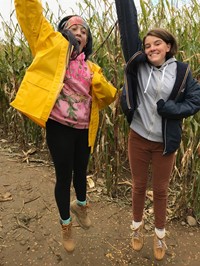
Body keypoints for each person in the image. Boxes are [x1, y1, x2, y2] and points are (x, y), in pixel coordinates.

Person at [11, 0, 117, 253]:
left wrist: (102, 83)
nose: (80, 32)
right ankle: (65, 225)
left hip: (83, 129)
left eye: (84, 31)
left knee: (82, 172)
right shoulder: (50, 48)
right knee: (64, 176)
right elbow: (33, 18)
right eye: (73, 28)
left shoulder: (92, 67)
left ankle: (81, 205)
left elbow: (107, 96)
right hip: (59, 126)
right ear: (62, 32)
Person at [114, 0, 200, 261]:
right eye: (148, 45)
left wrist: (170, 109)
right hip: (138, 137)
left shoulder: (183, 72)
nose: (151, 48)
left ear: (168, 46)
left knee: (160, 190)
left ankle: (160, 236)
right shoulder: (138, 65)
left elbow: (195, 100)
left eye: (157, 44)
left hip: (165, 142)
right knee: (139, 186)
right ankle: (137, 229)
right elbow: (129, 29)